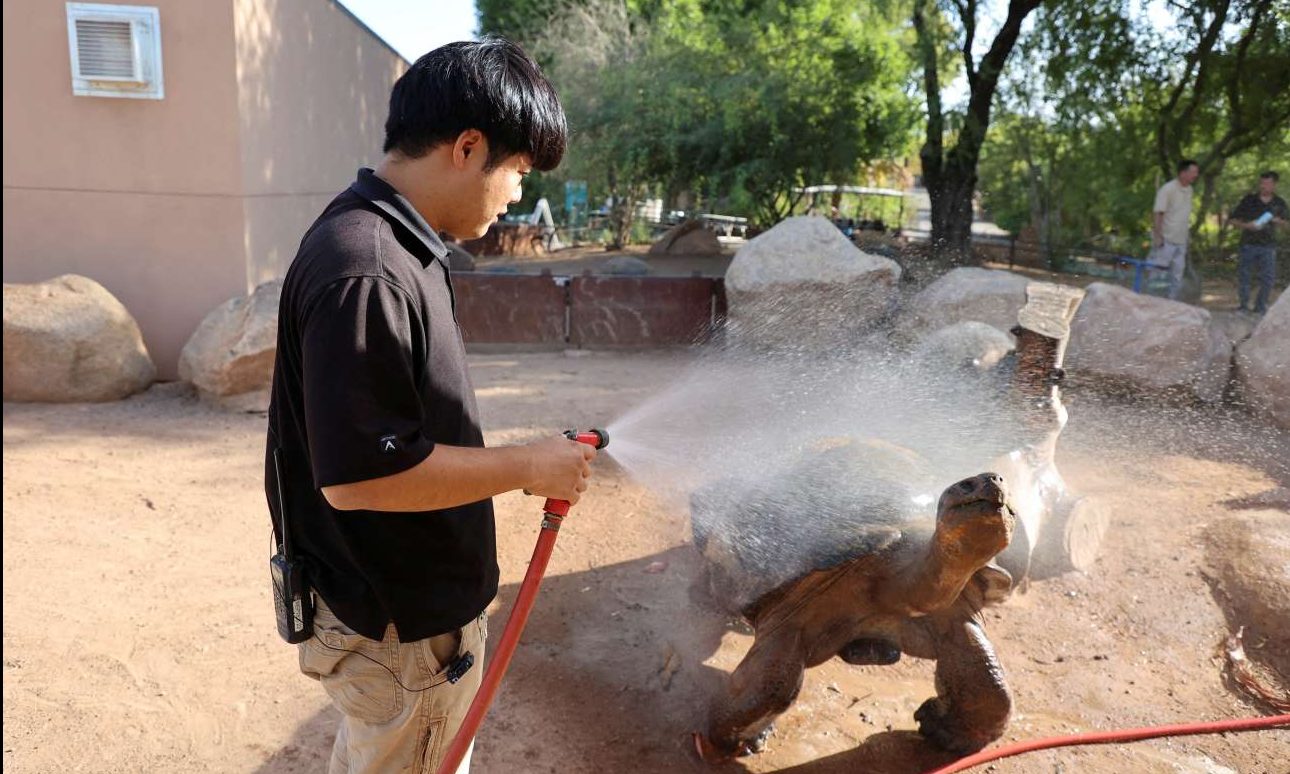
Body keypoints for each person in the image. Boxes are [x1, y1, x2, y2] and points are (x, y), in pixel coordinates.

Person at [264, 39, 595, 774]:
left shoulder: (396, 244)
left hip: (392, 620)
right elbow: (361, 478)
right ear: (468, 147)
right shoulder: (369, 268)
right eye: (515, 171)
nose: (515, 193)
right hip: (401, 632)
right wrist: (527, 465)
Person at [1228, 170, 1288, 314]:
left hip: (1268, 246)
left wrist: (1279, 222)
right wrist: (1247, 226)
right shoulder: (1249, 200)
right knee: (1245, 276)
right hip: (1248, 244)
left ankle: (1260, 307)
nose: (1264, 186)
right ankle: (1243, 306)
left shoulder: (1279, 203)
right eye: (1262, 183)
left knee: (1268, 278)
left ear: (1274, 185)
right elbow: (1233, 220)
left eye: (1267, 183)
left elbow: (1288, 225)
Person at [1151, 159, 1199, 300]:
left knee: (1177, 274)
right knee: (1158, 272)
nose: (1196, 175)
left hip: (1181, 239)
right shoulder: (1168, 189)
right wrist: (1158, 236)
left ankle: (1171, 302)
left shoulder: (1190, 190)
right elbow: (1159, 213)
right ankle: (1153, 301)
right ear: (1183, 173)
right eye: (1193, 172)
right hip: (1166, 238)